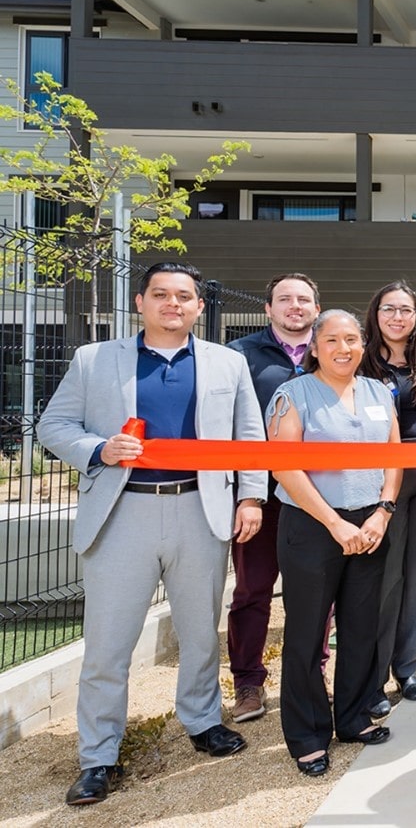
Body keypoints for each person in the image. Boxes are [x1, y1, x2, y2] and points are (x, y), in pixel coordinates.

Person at [37, 261, 265, 806]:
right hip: (122, 514)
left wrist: (251, 496)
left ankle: (204, 721)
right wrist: (97, 449)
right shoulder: (94, 360)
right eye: (160, 295)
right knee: (107, 646)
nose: (173, 304)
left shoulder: (227, 363)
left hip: (199, 510)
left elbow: (249, 435)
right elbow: (53, 425)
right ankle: (98, 756)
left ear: (199, 307)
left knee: (198, 632)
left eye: (184, 296)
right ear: (140, 302)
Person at [267, 310, 402, 776]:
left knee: (362, 627)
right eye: (332, 340)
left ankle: (353, 718)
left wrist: (383, 512)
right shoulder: (292, 395)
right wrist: (334, 524)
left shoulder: (379, 392)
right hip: (311, 526)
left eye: (352, 339)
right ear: (314, 346)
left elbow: (393, 456)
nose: (343, 348)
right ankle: (308, 735)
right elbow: (284, 467)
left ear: (364, 344)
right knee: (306, 634)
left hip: (371, 524)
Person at [225, 272, 321, 723]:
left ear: (316, 309)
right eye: (285, 299)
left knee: (316, 592)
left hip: (315, 495)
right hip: (259, 495)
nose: (295, 306)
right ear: (269, 309)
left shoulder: (333, 353)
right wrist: (247, 495)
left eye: (304, 300)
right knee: (252, 590)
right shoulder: (238, 357)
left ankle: (312, 674)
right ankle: (247, 684)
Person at [359, 281, 416, 717]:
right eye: (389, 309)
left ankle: (408, 667)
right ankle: (372, 677)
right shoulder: (359, 362)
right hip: (381, 480)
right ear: (376, 314)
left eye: (406, 310)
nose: (398, 317)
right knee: (384, 578)